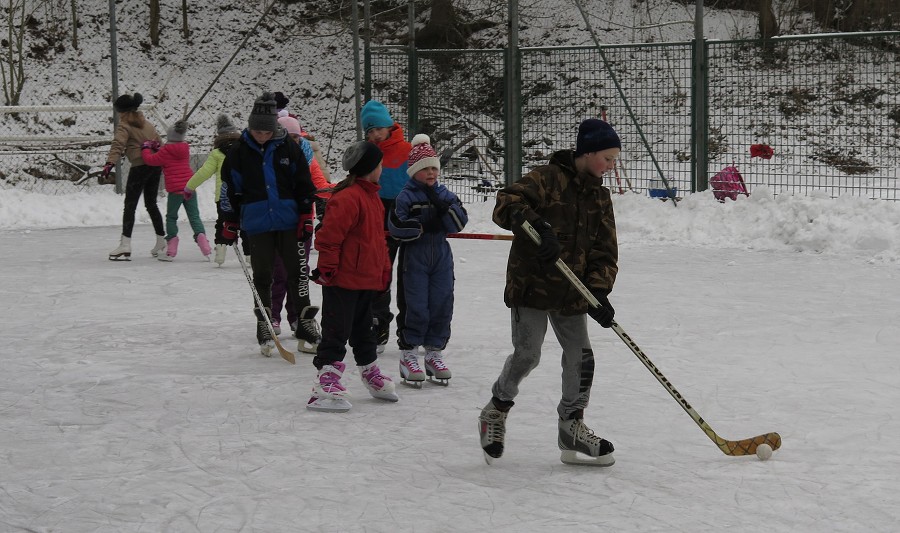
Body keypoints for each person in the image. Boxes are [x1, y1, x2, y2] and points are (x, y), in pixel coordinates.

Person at [477, 118, 621, 467]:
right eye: (607, 158)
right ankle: (496, 410)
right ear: (587, 154)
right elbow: (506, 203)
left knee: (581, 356)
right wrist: (535, 225)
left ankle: (571, 426)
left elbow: (605, 249)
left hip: (572, 291)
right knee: (528, 355)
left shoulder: (600, 197)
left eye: (615, 160)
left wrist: (598, 292)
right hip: (532, 286)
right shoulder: (546, 178)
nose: (611, 167)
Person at [218, 92, 321, 356]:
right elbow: (229, 190)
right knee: (263, 275)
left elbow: (304, 185)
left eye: (266, 131)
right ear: (250, 127)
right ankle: (264, 323)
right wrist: (228, 222)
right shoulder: (239, 152)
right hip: (257, 223)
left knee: (297, 273)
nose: (261, 136)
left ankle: (306, 322)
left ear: (274, 127)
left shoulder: (289, 148)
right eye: (256, 131)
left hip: (288, 221)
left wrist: (305, 216)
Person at [306, 141, 397, 412]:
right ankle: (325, 383)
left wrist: (383, 273)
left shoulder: (372, 197)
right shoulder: (348, 198)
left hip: (365, 280)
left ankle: (370, 372)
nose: (382, 168)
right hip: (342, 280)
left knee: (364, 332)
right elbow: (328, 239)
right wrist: (328, 270)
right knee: (336, 332)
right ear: (370, 168)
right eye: (380, 164)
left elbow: (377, 243)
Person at [388, 134, 468, 387]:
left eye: (434, 167)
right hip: (415, 258)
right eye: (425, 168)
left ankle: (434, 351)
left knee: (442, 302)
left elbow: (459, 222)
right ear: (414, 172)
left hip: (441, 258)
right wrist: (421, 225)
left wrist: (446, 210)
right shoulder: (406, 196)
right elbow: (396, 226)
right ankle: (409, 352)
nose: (431, 172)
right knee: (416, 305)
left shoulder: (444, 194)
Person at [268, 115, 331, 335]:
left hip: (303, 222)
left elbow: (320, 186)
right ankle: (273, 317)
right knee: (279, 271)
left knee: (300, 272)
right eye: (289, 136)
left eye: (296, 136)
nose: (293, 140)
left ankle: (297, 317)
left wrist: (344, 188)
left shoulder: (307, 157)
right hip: (279, 222)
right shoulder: (271, 157)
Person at [359, 100, 412, 354]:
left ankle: (411, 327)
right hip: (378, 216)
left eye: (377, 128)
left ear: (389, 125)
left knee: (411, 275)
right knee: (380, 272)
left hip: (406, 214)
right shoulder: (367, 152)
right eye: (369, 131)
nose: (374, 135)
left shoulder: (408, 150)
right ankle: (379, 321)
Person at [103, 92, 166, 261]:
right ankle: (161, 240)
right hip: (155, 166)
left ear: (123, 112)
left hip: (139, 167)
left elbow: (118, 144)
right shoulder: (147, 124)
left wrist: (110, 163)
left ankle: (125, 244)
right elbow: (160, 143)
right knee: (151, 203)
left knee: (130, 205)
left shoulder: (124, 125)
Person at [141, 119, 211, 261]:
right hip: (189, 188)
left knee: (172, 217)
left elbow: (151, 160)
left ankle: (171, 249)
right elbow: (170, 152)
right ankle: (205, 245)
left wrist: (146, 148)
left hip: (175, 191)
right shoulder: (185, 148)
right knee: (194, 216)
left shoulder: (166, 151)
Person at [183, 114, 247, 266]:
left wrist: (189, 186)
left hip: (223, 197)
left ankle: (220, 251)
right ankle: (250, 254)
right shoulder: (244, 150)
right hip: (243, 194)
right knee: (245, 224)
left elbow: (204, 172)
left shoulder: (217, 153)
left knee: (223, 222)